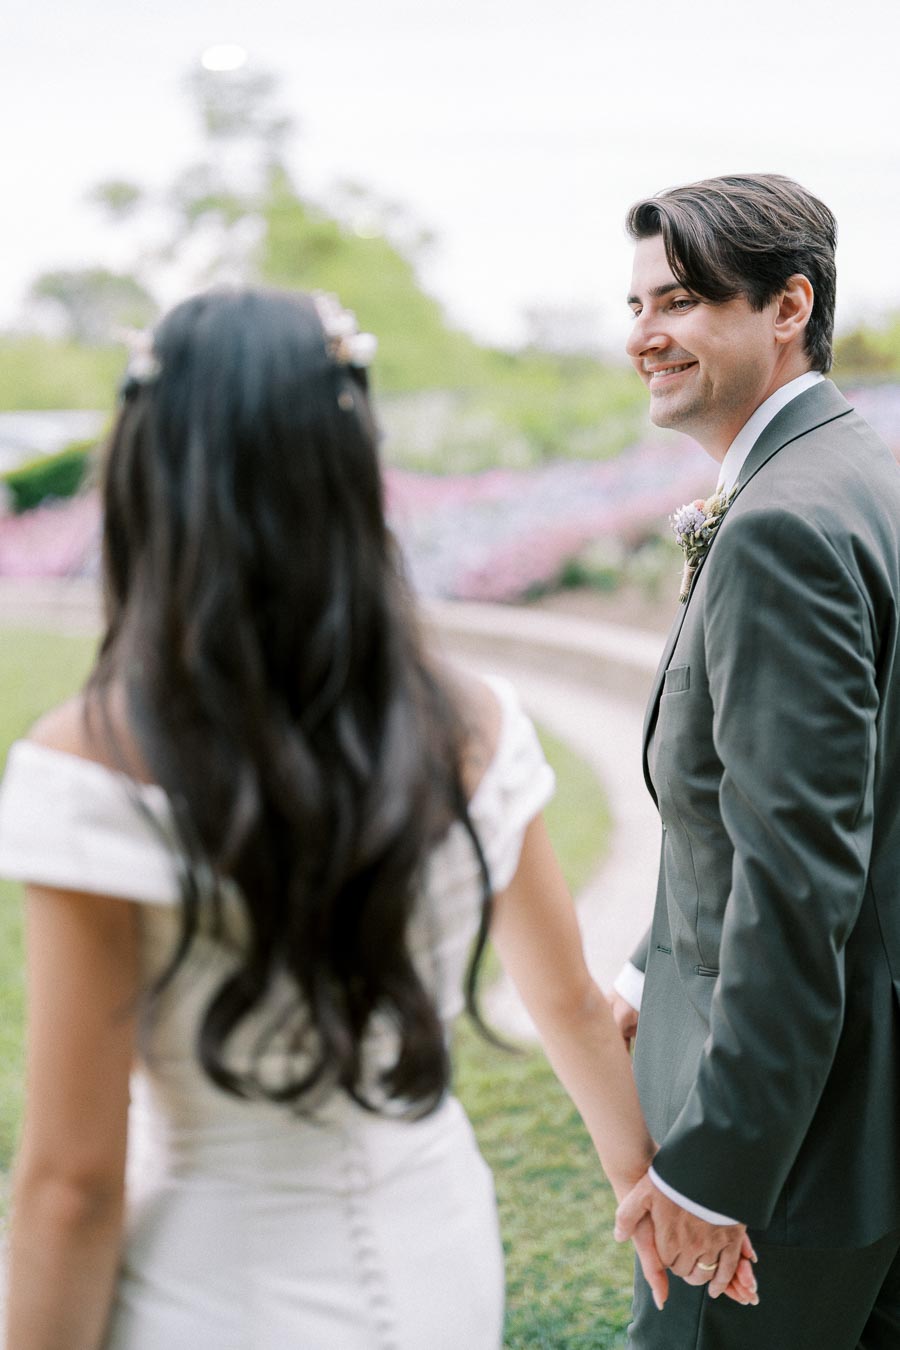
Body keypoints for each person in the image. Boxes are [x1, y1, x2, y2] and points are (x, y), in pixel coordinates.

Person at [0, 286, 691, 1349]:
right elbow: (570, 1004)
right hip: (438, 1252)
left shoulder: (92, 760)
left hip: (214, 1289)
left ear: (151, 470)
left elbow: (72, 1182)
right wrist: (640, 1177)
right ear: (350, 462)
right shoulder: (474, 722)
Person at [610, 173, 900, 1348]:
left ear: (789, 304)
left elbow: (796, 879)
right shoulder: (860, 474)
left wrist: (719, 1170)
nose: (644, 337)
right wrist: (647, 972)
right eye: (634, 306)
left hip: (799, 1144)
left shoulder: (784, 525)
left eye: (678, 302)